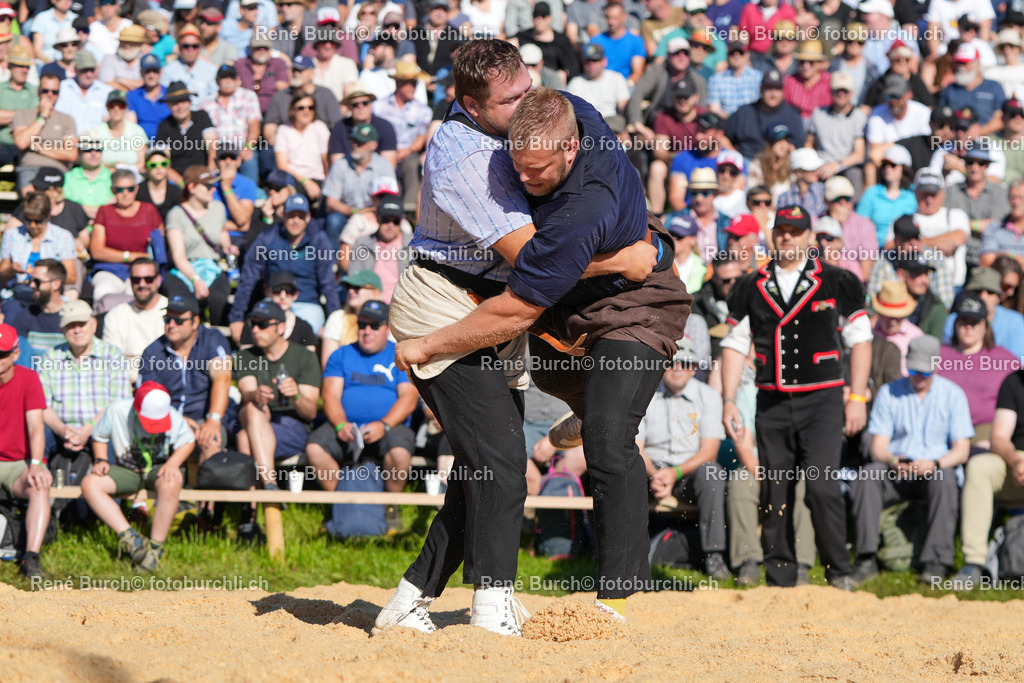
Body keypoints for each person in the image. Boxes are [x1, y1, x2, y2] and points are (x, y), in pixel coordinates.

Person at [375, 41, 661, 637]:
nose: (526, 100)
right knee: (503, 463)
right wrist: (625, 258)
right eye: (510, 100)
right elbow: (536, 260)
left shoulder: (543, 116)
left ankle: (408, 600)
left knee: (481, 467)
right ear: (472, 107)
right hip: (446, 303)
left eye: (529, 87)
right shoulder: (463, 159)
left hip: (487, 304)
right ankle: (493, 605)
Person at [721, 204, 870, 589]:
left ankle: (838, 571)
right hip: (771, 401)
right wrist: (727, 400)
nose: (787, 236)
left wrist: (856, 398)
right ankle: (780, 575)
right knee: (774, 490)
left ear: (808, 236)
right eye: (781, 230)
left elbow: (861, 340)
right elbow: (735, 344)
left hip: (822, 400)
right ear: (773, 235)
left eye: (795, 230)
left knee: (821, 488)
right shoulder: (750, 285)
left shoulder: (838, 280)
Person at [849, 335, 973, 587]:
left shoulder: (953, 395)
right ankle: (866, 557)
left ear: (936, 366)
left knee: (946, 478)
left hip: (935, 469)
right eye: (913, 369)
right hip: (897, 469)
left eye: (924, 371)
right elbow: (878, 447)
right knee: (868, 475)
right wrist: (893, 460)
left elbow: (962, 449)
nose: (918, 375)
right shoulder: (889, 393)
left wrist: (935, 464)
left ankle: (937, 562)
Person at [305, 300, 418, 531]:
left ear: (388, 327)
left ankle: (390, 507)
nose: (367, 331)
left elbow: (408, 399)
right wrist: (340, 425)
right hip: (346, 427)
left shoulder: (399, 356)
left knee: (400, 453)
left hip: (389, 427)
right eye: (362, 324)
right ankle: (340, 506)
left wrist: (384, 425)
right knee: (315, 449)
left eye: (374, 325)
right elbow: (330, 397)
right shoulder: (341, 355)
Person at [636, 338, 729, 581]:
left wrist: (674, 473)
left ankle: (714, 556)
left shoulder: (708, 396)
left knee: (713, 473)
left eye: (684, 363)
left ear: (694, 368)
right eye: (671, 363)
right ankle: (629, 557)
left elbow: (709, 451)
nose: (677, 368)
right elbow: (636, 447)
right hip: (650, 471)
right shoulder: (645, 394)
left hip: (689, 472)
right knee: (625, 468)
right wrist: (655, 473)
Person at [80, 381, 197, 572]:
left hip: (158, 469)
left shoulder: (173, 415)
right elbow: (99, 436)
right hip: (126, 469)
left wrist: (173, 463)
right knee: (90, 484)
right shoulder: (117, 410)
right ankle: (130, 538)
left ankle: (155, 549)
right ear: (135, 408)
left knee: (172, 482)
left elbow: (188, 441)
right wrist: (101, 459)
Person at [234, 298, 321, 491]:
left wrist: (296, 395)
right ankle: (270, 485)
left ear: (281, 328)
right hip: (256, 417)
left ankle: (251, 510)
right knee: (252, 408)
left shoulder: (304, 356)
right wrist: (255, 395)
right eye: (253, 324)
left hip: (291, 426)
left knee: (244, 438)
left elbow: (310, 413)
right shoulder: (245, 357)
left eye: (263, 324)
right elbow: (246, 393)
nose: (255, 330)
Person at [953, 361, 1024, 587]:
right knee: (979, 465)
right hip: (1016, 462)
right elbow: (999, 437)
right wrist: (1016, 462)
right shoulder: (1014, 381)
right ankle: (973, 563)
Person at [230, 193, 338, 337]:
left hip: (307, 302)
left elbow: (328, 283)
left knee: (300, 335)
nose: (296, 221)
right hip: (274, 301)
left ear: (308, 218)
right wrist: (236, 318)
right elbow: (248, 278)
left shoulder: (319, 240)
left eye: (301, 216)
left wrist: (335, 320)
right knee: (260, 333)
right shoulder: (268, 238)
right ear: (283, 215)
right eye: (291, 216)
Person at [137, 292, 232, 454]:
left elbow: (222, 378)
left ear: (195, 322)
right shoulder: (152, 352)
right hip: (166, 420)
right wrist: (177, 420)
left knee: (212, 440)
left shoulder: (212, 339)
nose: (171, 325)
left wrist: (213, 420)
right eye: (167, 319)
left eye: (179, 320)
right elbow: (147, 396)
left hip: (206, 417)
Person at [38, 300, 132, 462]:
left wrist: (88, 429)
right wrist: (62, 430)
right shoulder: (50, 357)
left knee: (111, 435)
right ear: (62, 329)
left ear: (93, 324)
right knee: (37, 435)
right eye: (71, 325)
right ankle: (37, 479)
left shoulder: (113, 355)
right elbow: (42, 404)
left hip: (100, 426)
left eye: (82, 324)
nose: (77, 330)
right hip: (60, 429)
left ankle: (106, 482)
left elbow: (118, 401)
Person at [0, 323, 53, 579]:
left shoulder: (28, 378)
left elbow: (36, 427)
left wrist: (35, 463)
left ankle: (31, 557)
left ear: (15, 354)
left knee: (39, 484)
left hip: (17, 464)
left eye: (2, 354)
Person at [936, 292, 1020, 446]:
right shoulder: (938, 355)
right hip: (941, 430)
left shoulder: (1006, 360)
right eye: (963, 321)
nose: (969, 328)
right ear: (955, 324)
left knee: (982, 452)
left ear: (984, 325)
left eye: (974, 322)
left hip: (985, 431)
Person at [164, 165, 236, 326]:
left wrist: (227, 247)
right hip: (186, 269)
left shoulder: (218, 208)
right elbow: (178, 256)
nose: (213, 189)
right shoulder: (176, 214)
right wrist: (195, 279)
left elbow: (222, 233)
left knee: (218, 298)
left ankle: (218, 338)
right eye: (208, 185)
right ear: (192, 187)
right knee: (181, 300)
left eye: (214, 185)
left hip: (212, 266)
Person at [88, 168, 162, 308]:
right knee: (102, 293)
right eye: (120, 189)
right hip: (109, 270)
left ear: (136, 189)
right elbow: (97, 251)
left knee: (139, 295)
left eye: (130, 188)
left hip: (141, 271)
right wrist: (131, 256)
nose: (126, 194)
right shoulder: (104, 211)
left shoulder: (149, 210)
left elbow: (159, 244)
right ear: (113, 190)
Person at [322, 123, 394, 247]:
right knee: (333, 221)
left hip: (375, 214)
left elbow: (390, 198)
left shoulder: (384, 166)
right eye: (353, 141)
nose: (355, 145)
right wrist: (354, 211)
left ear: (373, 145)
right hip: (346, 213)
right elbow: (331, 202)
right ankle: (333, 263)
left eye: (361, 142)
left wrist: (375, 213)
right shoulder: (340, 165)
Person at [372, 62, 431, 212]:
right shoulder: (379, 106)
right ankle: (381, 203)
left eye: (415, 83)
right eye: (409, 83)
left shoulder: (422, 110)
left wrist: (406, 151)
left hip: (408, 151)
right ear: (399, 83)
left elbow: (420, 138)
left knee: (411, 164)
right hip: (383, 150)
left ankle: (409, 207)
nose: (413, 87)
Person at [101, 258, 166, 382]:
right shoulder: (116, 315)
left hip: (163, 383)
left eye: (148, 279)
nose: (142, 285)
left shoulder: (172, 313)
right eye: (136, 280)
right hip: (126, 384)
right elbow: (113, 362)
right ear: (130, 282)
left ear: (158, 280)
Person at [12, 71, 78, 191]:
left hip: (58, 169)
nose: (50, 95)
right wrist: (42, 117)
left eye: (55, 92)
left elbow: (71, 154)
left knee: (57, 201)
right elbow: (22, 143)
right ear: (38, 91)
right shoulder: (23, 115)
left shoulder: (67, 119)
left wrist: (37, 147)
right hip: (30, 168)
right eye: (45, 91)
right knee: (32, 200)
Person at [0, 192, 77, 293]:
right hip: (17, 292)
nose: (32, 225)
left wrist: (45, 277)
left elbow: (71, 277)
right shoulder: (12, 235)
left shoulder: (63, 237)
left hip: (48, 294)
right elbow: (2, 274)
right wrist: (12, 269)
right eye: (28, 220)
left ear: (48, 216)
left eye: (38, 221)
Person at [941, 267, 1024, 359]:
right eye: (978, 291)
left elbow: (1017, 362)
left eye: (990, 292)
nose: (983, 297)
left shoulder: (1015, 322)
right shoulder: (953, 320)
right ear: (967, 293)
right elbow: (948, 357)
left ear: (999, 297)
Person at [347, 196, 410, 303]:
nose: (390, 225)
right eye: (385, 220)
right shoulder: (362, 244)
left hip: (403, 305)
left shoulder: (414, 246)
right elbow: (354, 278)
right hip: (369, 304)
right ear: (377, 217)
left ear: (402, 220)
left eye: (396, 221)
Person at [154, 81, 217, 185]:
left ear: (189, 102)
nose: (180, 106)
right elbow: (164, 160)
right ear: (168, 105)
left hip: (203, 174)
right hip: (177, 179)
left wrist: (210, 170)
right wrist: (183, 185)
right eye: (175, 103)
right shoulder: (164, 126)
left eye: (183, 101)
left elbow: (212, 146)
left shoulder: (202, 117)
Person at [238, 271, 316, 351]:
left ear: (296, 295)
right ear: (267, 292)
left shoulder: (304, 327)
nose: (283, 296)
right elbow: (245, 358)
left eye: (289, 291)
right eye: (277, 290)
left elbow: (309, 360)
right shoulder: (252, 323)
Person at [273, 91, 329, 203]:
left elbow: (326, 160)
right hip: (293, 178)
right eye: (301, 108)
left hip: (316, 178)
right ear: (292, 109)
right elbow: (282, 164)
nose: (306, 111)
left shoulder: (319, 127)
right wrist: (305, 181)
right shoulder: (284, 130)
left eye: (310, 107)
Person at [2, 259, 67, 354]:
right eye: (31, 280)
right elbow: (21, 356)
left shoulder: (71, 316)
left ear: (56, 284)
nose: (32, 285)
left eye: (37, 281)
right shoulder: (26, 314)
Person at [320, 270, 384, 365]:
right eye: (348, 287)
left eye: (357, 287)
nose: (350, 291)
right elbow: (329, 365)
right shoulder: (337, 318)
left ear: (375, 292)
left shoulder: (387, 320)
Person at [871, 281, 924, 375]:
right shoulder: (870, 333)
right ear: (880, 313)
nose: (892, 322)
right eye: (888, 316)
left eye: (897, 316)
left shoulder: (916, 337)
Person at [55, 50, 113, 136]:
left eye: (92, 70)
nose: (89, 74)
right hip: (67, 141)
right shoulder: (63, 87)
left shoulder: (106, 91)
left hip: (96, 144)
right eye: (85, 70)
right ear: (76, 70)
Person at [88, 89, 146, 172]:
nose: (116, 108)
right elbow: (90, 161)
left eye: (121, 105)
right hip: (104, 176)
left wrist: (125, 169)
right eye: (112, 105)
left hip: (131, 177)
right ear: (107, 108)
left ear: (126, 108)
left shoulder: (137, 131)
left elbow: (141, 164)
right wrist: (113, 165)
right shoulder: (96, 131)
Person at [126, 54, 170, 141]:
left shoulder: (170, 94)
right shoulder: (132, 96)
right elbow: (131, 126)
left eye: (155, 71)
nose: (151, 75)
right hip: (142, 143)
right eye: (147, 71)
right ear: (141, 73)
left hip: (169, 142)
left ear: (161, 72)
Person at [136, 146, 182, 220]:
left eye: (163, 164)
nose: (159, 168)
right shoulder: (137, 191)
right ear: (146, 167)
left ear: (169, 166)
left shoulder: (176, 192)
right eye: (153, 165)